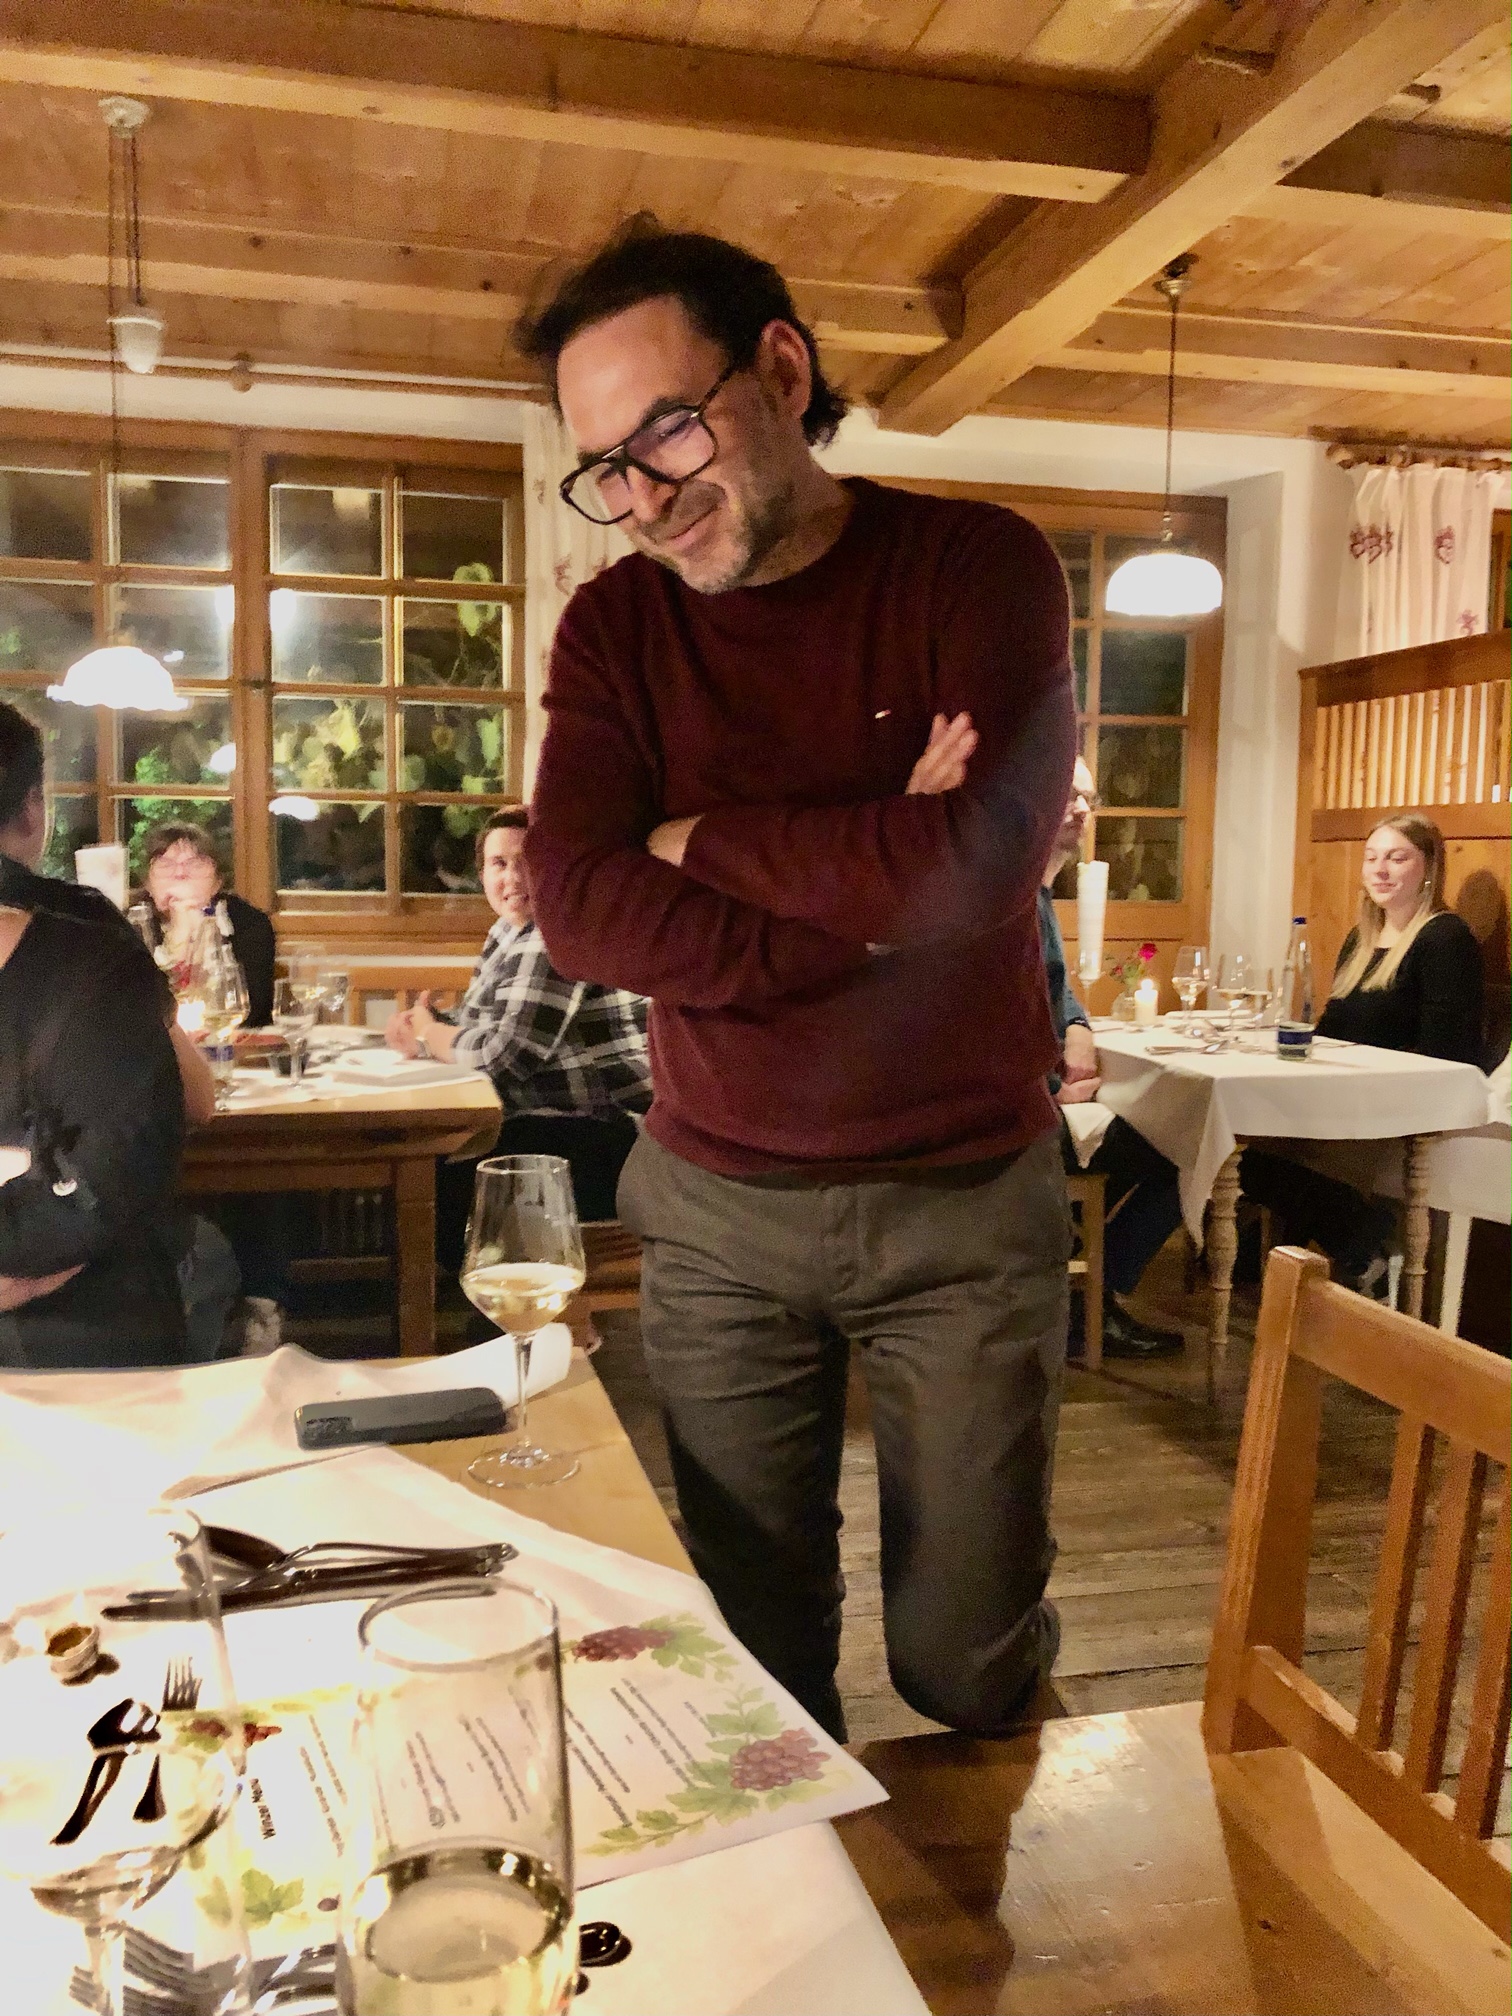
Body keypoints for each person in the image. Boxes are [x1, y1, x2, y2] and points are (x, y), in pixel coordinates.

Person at [520, 222, 1076, 1741]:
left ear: (780, 368)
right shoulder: (616, 627)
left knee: (964, 1665)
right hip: (716, 1214)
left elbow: (983, 867)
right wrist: (876, 889)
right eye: (605, 467)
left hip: (966, 1203)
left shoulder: (979, 567)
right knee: (758, 1676)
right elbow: (579, 909)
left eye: (666, 430)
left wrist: (697, 841)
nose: (642, 497)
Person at [0, 702, 189, 1366]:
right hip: (93, 1348)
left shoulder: (90, 957)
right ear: (32, 811)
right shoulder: (93, 951)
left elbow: (105, 1185)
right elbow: (189, 1108)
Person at [1244, 813, 1486, 1290]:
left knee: (1259, 1156)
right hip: (1348, 1090)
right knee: (1240, 1139)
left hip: (1402, 1103)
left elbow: (1447, 1052)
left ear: (1429, 867)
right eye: (1372, 858)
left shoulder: (1445, 939)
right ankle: (1344, 1240)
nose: (1380, 869)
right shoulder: (1362, 938)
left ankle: (1354, 1240)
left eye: (1397, 858)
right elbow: (1333, 1027)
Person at [387, 806, 652, 1237]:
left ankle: (460, 1276)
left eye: (527, 862)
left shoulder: (555, 932)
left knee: (424, 1178)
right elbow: (488, 1023)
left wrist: (430, 1034)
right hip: (550, 1124)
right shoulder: (508, 930)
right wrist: (429, 1023)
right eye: (499, 863)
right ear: (482, 875)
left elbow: (505, 1057)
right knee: (425, 1162)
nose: (512, 878)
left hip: (598, 1136)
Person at [1040, 759, 1186, 1357]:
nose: (1081, 809)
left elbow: (1055, 990)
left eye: (1089, 798)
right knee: (1180, 1148)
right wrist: (1050, 1089)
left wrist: (1077, 1025)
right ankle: (1093, 1299)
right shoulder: (1011, 896)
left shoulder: (1037, 891)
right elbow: (986, 1018)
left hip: (1037, 1103)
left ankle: (1083, 1288)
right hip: (1017, 1121)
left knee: (1159, 1134)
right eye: (1067, 793)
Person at [138, 821, 276, 1026]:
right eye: (165, 865)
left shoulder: (249, 923)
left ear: (217, 883)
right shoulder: (129, 927)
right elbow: (139, 1011)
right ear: (148, 884)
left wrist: (199, 929)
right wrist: (180, 935)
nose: (180, 874)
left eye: (195, 864)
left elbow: (253, 1010)